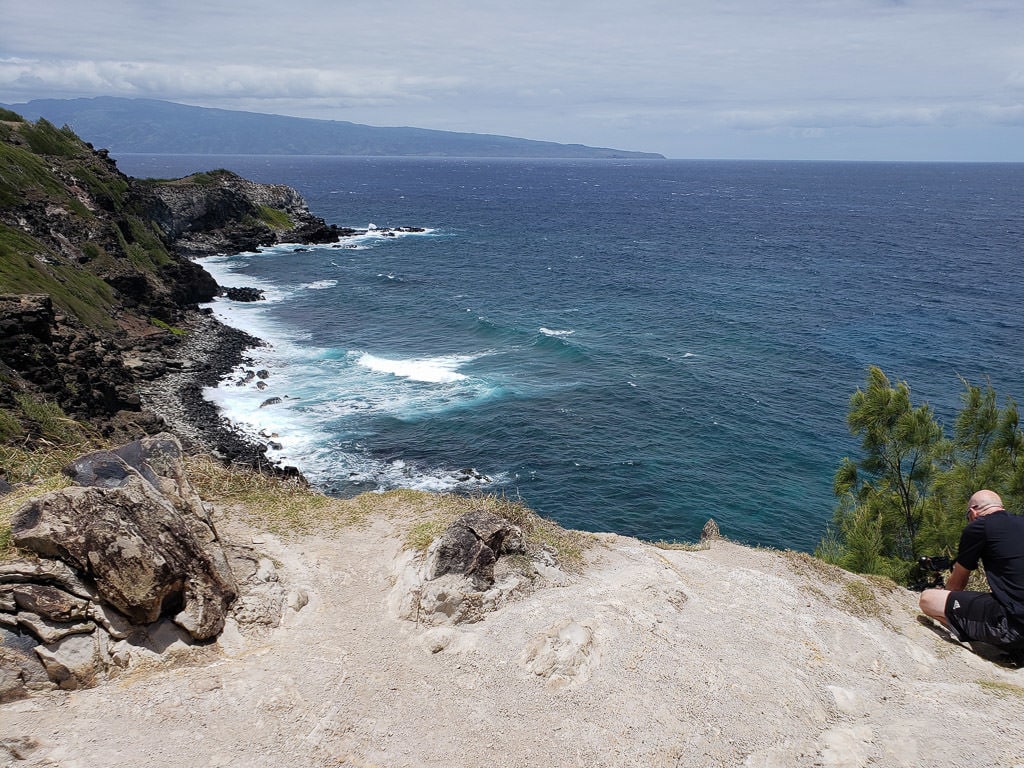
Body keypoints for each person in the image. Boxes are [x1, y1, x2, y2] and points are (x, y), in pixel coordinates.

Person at [919, 489, 1024, 654]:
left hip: (1015, 627)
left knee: (928, 599)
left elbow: (957, 585)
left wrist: (944, 594)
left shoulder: (979, 527)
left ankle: (991, 647)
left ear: (973, 513)